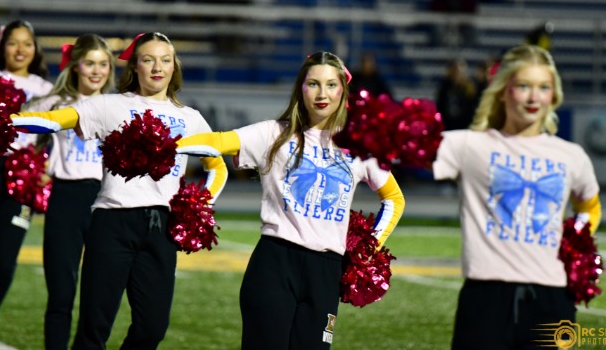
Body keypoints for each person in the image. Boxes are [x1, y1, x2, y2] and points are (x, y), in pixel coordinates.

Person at [173, 51, 406, 349]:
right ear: (301, 89)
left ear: (343, 91)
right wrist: (165, 146)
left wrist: (367, 250)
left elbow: (394, 199)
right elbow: (218, 141)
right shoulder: (274, 134)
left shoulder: (359, 147)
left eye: (331, 85)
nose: (322, 94)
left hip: (326, 272)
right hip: (275, 263)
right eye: (313, 84)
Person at [10, 32, 228, 349]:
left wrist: (200, 204)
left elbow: (217, 166)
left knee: (152, 328)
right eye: (148, 60)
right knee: (94, 328)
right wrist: (6, 121)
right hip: (112, 222)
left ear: (174, 66)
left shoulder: (190, 118)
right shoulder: (108, 105)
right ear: (135, 66)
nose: (157, 67)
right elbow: (52, 122)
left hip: (161, 228)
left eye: (165, 60)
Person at [432, 44, 601, 349]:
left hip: (552, 298)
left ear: (554, 95)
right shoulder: (468, 145)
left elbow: (589, 205)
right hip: (486, 296)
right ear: (502, 90)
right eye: (523, 86)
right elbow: (404, 151)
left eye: (543, 87)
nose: (534, 97)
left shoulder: (571, 155)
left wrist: (577, 243)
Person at [0, 20, 53, 350]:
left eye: (27, 43)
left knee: (3, 261)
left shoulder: (47, 90)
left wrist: (48, 169)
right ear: (2, 47)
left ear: (35, 48)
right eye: (13, 42)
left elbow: (58, 137)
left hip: (24, 176)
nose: (20, 49)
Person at [28, 35, 115, 350]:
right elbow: (20, 130)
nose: (97, 71)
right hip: (65, 199)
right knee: (61, 293)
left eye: (103, 64)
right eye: (90, 63)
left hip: (106, 203)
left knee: (98, 296)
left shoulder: (118, 106)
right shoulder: (56, 103)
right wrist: (35, 165)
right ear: (76, 65)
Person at [435, 58, 478, 131]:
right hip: (448, 125)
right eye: (455, 70)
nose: (457, 73)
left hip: (464, 125)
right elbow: (440, 105)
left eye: (459, 70)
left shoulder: (469, 87)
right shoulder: (444, 86)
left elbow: (472, 107)